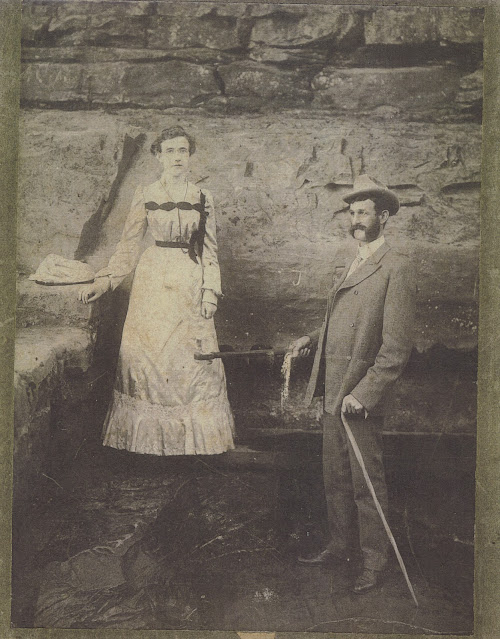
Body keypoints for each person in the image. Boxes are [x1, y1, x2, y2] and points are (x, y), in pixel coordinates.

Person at [289, 174, 416, 594]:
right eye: (352, 212)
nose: (356, 219)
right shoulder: (354, 261)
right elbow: (338, 322)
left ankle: (374, 562)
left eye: (364, 212)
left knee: (366, 482)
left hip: (358, 395)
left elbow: (396, 347)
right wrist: (309, 339)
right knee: (335, 476)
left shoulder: (396, 267)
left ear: (384, 216)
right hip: (333, 389)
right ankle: (341, 546)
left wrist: (364, 393)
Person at [78, 126, 235, 457]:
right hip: (152, 284)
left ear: (189, 156)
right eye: (170, 151)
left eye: (182, 151)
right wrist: (104, 282)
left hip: (189, 280)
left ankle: (190, 448)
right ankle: (147, 448)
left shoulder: (203, 197)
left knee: (190, 361)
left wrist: (210, 294)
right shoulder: (145, 193)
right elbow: (128, 247)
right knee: (150, 359)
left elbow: (210, 250)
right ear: (158, 156)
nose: (177, 157)